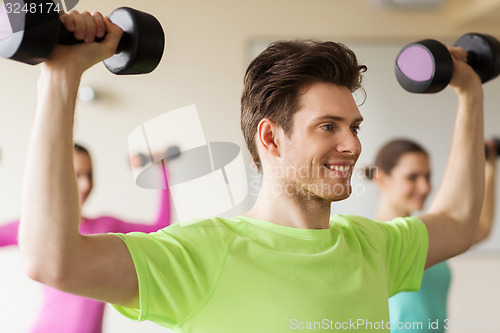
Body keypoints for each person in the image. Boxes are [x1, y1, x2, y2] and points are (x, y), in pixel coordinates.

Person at [18, 10, 485, 333]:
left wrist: (471, 92)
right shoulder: (201, 255)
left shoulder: (374, 246)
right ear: (270, 137)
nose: (353, 144)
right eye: (328, 127)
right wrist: (62, 77)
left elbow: (460, 222)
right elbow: (52, 260)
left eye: (354, 127)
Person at [0, 143, 171, 333]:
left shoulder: (106, 226)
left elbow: (161, 229)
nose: (86, 184)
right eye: (77, 175)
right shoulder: (35, 227)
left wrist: (162, 170)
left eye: (89, 175)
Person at [366, 138, 497, 332]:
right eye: (412, 177)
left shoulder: (423, 233)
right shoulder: (372, 239)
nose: (425, 187)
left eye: (427, 177)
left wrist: (490, 165)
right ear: (381, 179)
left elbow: (480, 229)